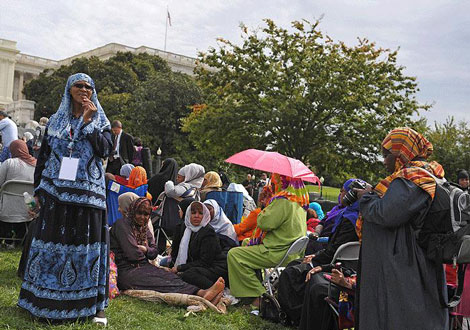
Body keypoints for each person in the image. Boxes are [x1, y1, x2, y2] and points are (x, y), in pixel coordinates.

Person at [18, 73, 112, 324]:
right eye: (79, 86)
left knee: (87, 251)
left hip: (89, 198)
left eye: (89, 87)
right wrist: (38, 192)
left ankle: (91, 306)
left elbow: (105, 150)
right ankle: (44, 300)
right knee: (51, 247)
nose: (84, 90)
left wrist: (88, 121)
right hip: (55, 194)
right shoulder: (57, 122)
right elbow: (45, 158)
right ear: (68, 90)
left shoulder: (101, 121)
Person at [355, 127, 448, 329]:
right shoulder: (431, 174)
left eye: (387, 154)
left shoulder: (412, 179)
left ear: (402, 152)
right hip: (415, 260)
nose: (385, 161)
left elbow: (384, 213)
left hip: (405, 265)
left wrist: (366, 197)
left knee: (401, 316)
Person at [110, 197, 225, 304]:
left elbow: (154, 252)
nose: (142, 217)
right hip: (126, 270)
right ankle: (200, 293)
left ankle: (201, 293)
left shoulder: (144, 228)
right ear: (132, 212)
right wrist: (146, 252)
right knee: (157, 281)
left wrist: (145, 249)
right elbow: (133, 254)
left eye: (146, 214)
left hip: (143, 265)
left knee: (168, 276)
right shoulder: (122, 225)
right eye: (139, 213)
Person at [277, 179, 360, 325]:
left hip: (335, 263)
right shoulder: (351, 215)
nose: (341, 194)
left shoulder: (349, 219)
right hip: (335, 259)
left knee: (291, 272)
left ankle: (295, 316)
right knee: (295, 267)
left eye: (343, 191)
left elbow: (334, 249)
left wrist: (316, 257)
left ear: (352, 195)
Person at [227, 174, 308, 306]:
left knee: (234, 255)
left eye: (276, 182)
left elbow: (264, 223)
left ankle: (259, 297)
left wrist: (268, 204)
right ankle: (255, 287)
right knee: (247, 242)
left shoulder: (282, 200)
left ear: (283, 183)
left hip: (277, 252)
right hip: (291, 252)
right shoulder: (299, 201)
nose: (274, 185)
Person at [169, 201, 229, 289]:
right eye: (193, 213)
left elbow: (205, 262)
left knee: (189, 274)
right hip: (197, 267)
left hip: (213, 267)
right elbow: (176, 252)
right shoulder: (186, 230)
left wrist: (180, 267)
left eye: (200, 213)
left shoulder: (208, 232)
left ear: (205, 215)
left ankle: (214, 289)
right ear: (188, 215)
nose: (196, 216)